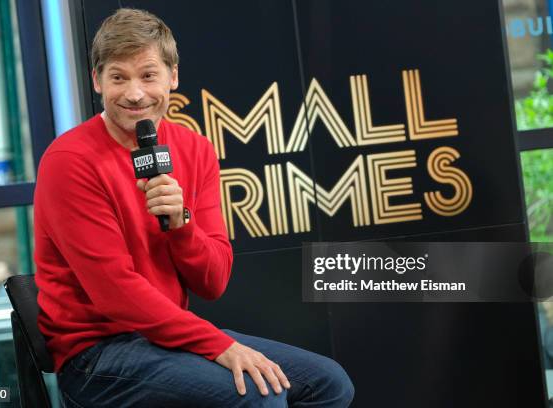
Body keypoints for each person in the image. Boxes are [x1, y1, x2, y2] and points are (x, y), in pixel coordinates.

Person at [34, 8, 354, 407]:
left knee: (329, 384)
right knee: (257, 396)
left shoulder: (194, 149)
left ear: (173, 76)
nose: (135, 93)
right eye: (119, 77)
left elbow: (214, 281)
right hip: (98, 355)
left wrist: (181, 224)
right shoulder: (69, 160)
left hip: (166, 336)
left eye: (148, 75)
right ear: (98, 81)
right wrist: (219, 346)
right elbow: (115, 292)